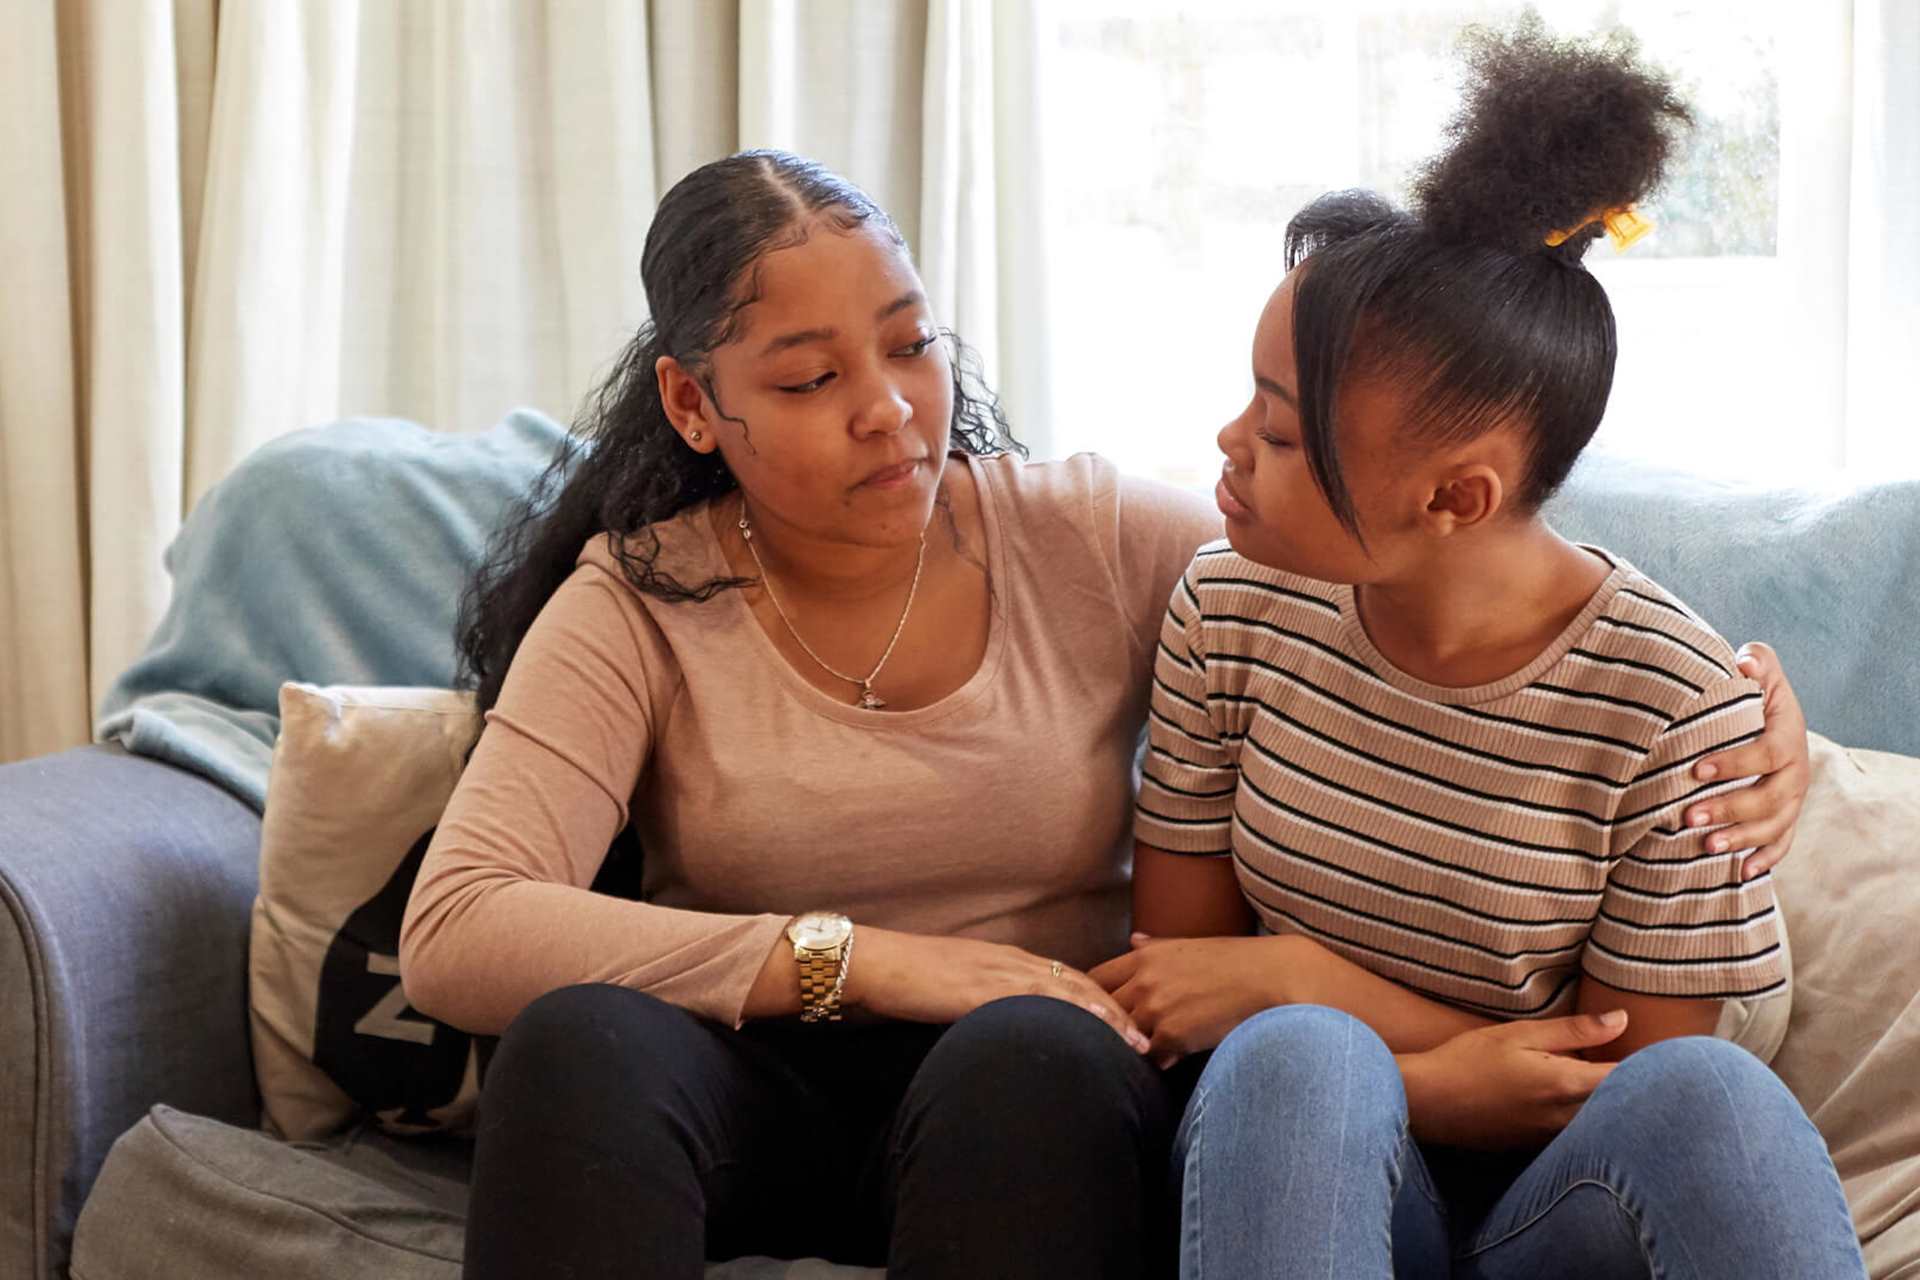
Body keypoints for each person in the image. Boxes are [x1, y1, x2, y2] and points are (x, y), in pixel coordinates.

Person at [398, 148, 1815, 1279]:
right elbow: (461, 930)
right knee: (578, 1042)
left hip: (1043, 1092)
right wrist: (868, 962)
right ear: (696, 407)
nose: (893, 410)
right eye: (813, 378)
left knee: (1040, 1054)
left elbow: (1444, 537)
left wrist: (1747, 709)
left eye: (910, 345)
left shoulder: (1098, 543)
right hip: (760, 1081)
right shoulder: (639, 600)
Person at [1092, 23, 1865, 1279]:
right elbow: (1186, 988)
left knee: (1712, 1095)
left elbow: (1621, 1076)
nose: (1228, 443)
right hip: (1292, 1161)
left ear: (1454, 498)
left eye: (1283, 436)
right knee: (1300, 1057)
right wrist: (1406, 1061)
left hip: (1546, 1209)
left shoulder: (1673, 705)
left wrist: (1315, 986)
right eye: (1250, 398)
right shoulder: (1231, 608)